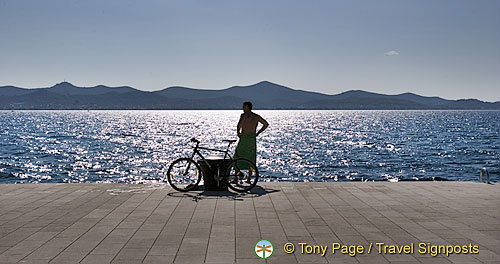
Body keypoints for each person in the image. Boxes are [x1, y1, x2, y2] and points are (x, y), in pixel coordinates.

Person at [233, 101, 269, 183]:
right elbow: (266, 124)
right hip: (252, 138)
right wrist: (258, 133)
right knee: (251, 158)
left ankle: (236, 178)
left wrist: (238, 132)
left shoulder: (243, 115)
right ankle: (248, 179)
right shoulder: (256, 116)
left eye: (243, 106)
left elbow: (239, 125)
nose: (242, 108)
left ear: (247, 106)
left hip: (244, 138)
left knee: (237, 156)